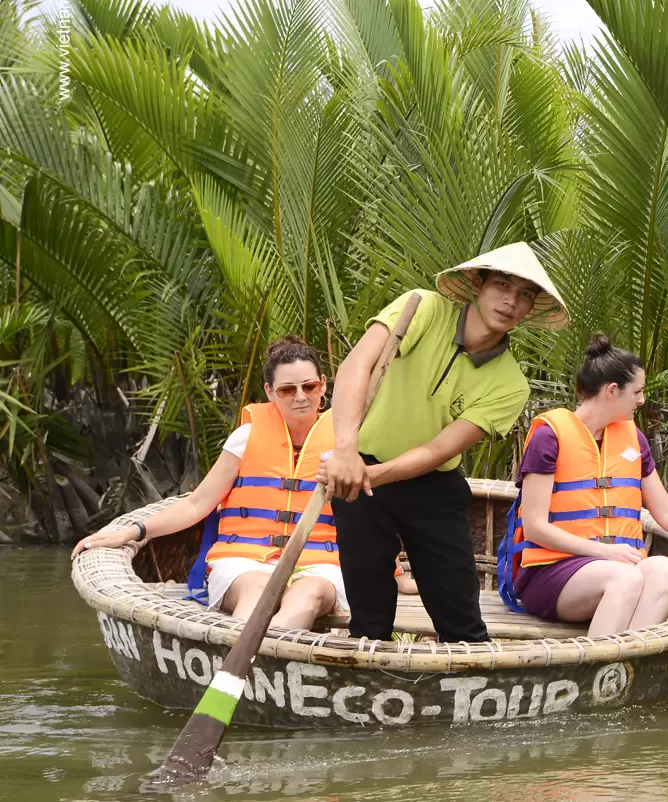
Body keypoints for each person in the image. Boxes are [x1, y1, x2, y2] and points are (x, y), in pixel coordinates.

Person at [322, 242, 568, 643]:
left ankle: (470, 672)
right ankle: (370, 671)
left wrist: (369, 475)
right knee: (368, 620)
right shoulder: (422, 308)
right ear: (478, 284)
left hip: (430, 486)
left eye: (524, 294)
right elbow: (356, 366)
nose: (511, 301)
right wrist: (346, 452)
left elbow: (438, 450)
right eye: (502, 285)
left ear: (529, 309)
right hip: (359, 466)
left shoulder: (511, 385)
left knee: (462, 622)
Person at [73, 337, 347, 631]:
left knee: (308, 594)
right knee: (259, 590)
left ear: (323, 385)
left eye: (309, 386)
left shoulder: (346, 443)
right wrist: (133, 532)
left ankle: (249, 656)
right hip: (246, 560)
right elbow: (196, 504)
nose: (300, 397)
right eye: (287, 390)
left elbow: (368, 509)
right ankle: (246, 655)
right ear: (270, 392)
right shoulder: (245, 438)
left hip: (320, 562)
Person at [498, 335, 668, 635]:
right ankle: (599, 662)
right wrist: (605, 552)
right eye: (637, 391)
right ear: (612, 391)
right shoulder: (549, 437)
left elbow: (666, 511)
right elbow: (534, 527)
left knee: (664, 569)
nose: (642, 400)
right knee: (625, 578)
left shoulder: (633, 438)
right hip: (551, 574)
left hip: (615, 569)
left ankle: (628, 660)